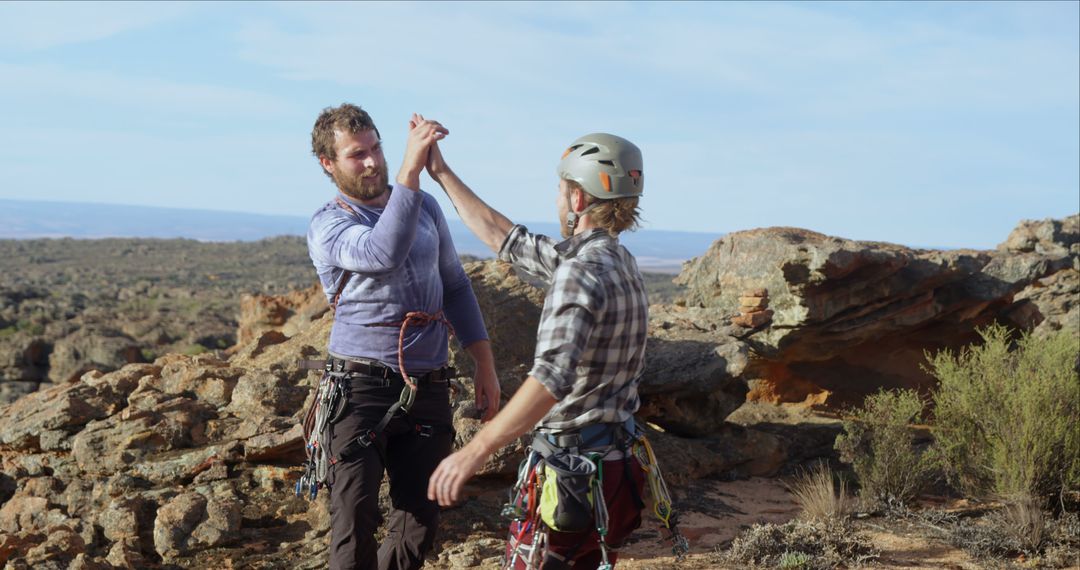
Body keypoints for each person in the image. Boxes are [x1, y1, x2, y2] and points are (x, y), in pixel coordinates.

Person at [423, 117, 651, 569]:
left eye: (562, 190)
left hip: (572, 478)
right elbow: (508, 239)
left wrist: (475, 451)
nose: (558, 199)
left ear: (578, 199)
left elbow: (550, 379)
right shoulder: (621, 263)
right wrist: (442, 174)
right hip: (616, 470)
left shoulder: (579, 273)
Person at [305, 104, 501, 570]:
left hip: (428, 386)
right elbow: (383, 252)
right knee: (354, 522)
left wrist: (484, 364)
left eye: (376, 148)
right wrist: (412, 171)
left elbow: (455, 285)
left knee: (419, 523)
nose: (373, 162)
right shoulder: (330, 224)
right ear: (328, 163)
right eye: (357, 155)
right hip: (359, 390)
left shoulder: (425, 206)